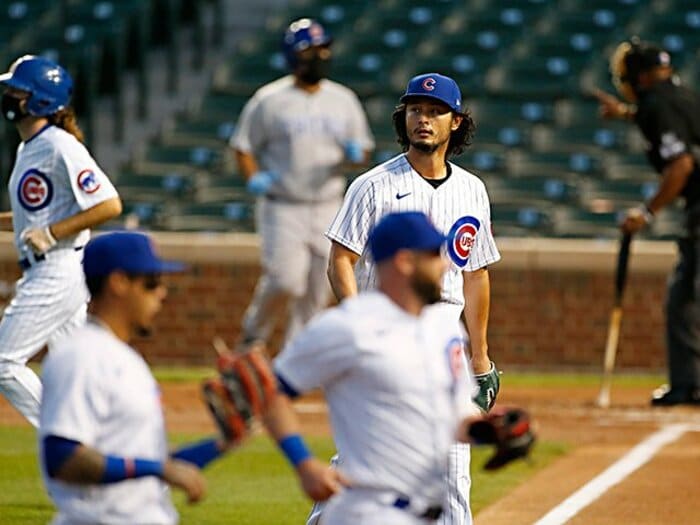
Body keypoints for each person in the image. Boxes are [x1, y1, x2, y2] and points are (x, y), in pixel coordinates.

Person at [318, 73, 501, 525]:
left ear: (455, 122)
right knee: (367, 462)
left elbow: (475, 275)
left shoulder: (472, 190)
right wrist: (360, 319)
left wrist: (480, 355)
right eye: (416, 110)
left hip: (444, 348)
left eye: (436, 111)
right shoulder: (373, 186)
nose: (425, 119)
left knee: (454, 475)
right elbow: (340, 259)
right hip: (388, 343)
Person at [263, 211, 482, 525]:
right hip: (369, 513)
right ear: (405, 261)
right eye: (434, 254)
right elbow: (270, 390)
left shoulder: (445, 327)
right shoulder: (350, 326)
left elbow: (458, 417)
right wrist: (304, 463)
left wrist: (491, 429)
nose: (445, 264)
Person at [38, 232, 234, 524]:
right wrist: (157, 469)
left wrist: (225, 442)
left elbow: (151, 462)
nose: (162, 292)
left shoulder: (126, 359)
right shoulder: (80, 356)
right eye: (151, 282)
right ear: (118, 282)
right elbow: (62, 457)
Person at [229, 17, 375, 348]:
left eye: (324, 49)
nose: (320, 56)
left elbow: (362, 150)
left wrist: (355, 154)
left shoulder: (343, 99)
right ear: (293, 56)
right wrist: (254, 179)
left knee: (316, 289)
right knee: (284, 281)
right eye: (312, 50)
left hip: (328, 204)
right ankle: (253, 338)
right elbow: (243, 146)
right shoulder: (269, 99)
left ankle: (293, 359)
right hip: (283, 204)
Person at [0, 55, 122, 427]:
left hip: (58, 267)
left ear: (39, 100)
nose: (9, 97)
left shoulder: (59, 145)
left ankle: (64, 435)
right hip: (49, 268)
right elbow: (34, 216)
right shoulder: (29, 147)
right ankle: (105, 436)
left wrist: (53, 233)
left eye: (17, 92)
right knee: (76, 372)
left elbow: (109, 203)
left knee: (3, 362)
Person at [594, 38, 700, 406]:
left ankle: (690, 384)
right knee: (684, 295)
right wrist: (624, 113)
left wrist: (647, 212)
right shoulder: (682, 95)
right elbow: (662, 117)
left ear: (637, 77)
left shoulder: (657, 105)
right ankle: (689, 384)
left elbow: (682, 164)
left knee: (687, 297)